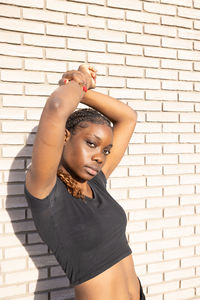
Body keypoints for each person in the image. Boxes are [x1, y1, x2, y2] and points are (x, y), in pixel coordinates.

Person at [24, 64, 146, 300]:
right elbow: (57, 106)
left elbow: (127, 118)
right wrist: (79, 81)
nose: (100, 156)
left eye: (106, 150)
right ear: (65, 137)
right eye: (91, 143)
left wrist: (82, 90)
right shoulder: (47, 192)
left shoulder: (97, 183)